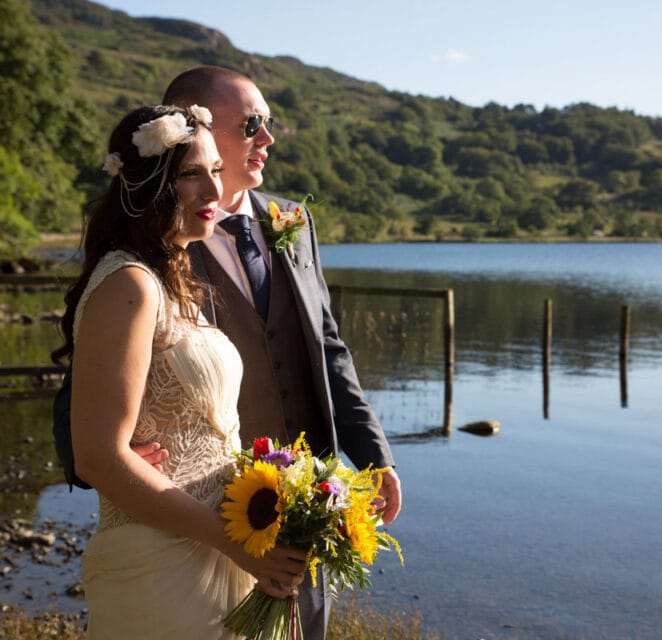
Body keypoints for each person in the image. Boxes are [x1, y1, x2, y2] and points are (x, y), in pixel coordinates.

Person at [161, 66, 402, 638]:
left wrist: (375, 457)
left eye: (268, 123)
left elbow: (328, 348)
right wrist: (101, 456)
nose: (267, 138)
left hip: (308, 493)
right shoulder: (154, 236)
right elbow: (90, 368)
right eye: (251, 124)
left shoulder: (291, 219)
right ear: (194, 131)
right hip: (205, 504)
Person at [51, 105, 307, 638]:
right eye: (192, 175)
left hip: (219, 549)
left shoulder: (173, 277)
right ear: (144, 185)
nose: (214, 192)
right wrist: (234, 541)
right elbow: (99, 456)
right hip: (163, 564)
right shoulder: (130, 284)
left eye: (216, 171)